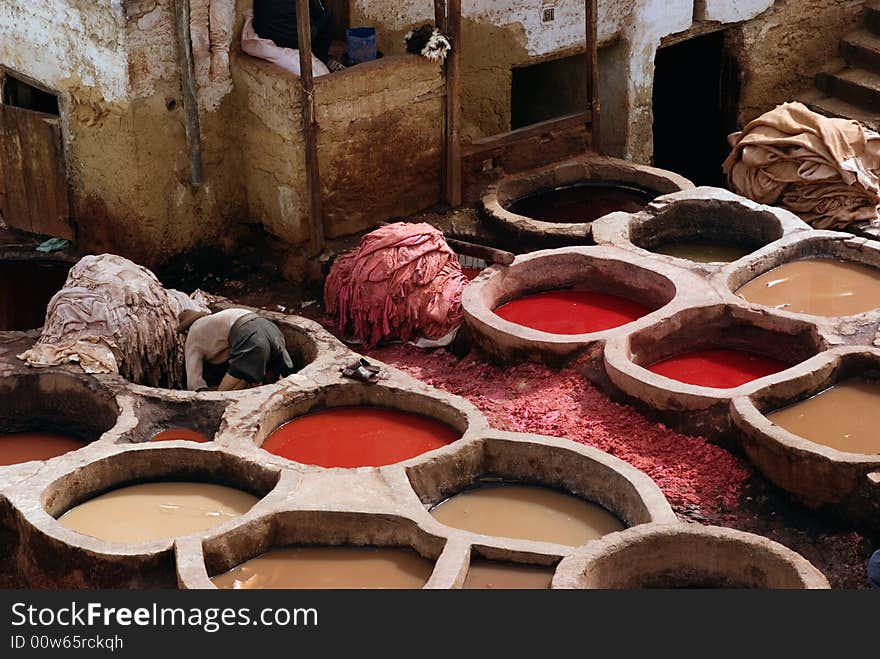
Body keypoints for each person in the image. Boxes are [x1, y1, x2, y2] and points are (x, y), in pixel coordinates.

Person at [177, 308, 295, 391]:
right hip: (270, 327)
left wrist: (203, 392)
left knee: (223, 396)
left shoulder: (193, 334)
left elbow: (194, 383)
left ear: (186, 330)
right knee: (286, 379)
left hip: (250, 335)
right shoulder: (215, 319)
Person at [252, 0, 333, 64]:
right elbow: (318, 12)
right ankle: (321, 61)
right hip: (293, 41)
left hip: (263, 34)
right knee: (327, 16)